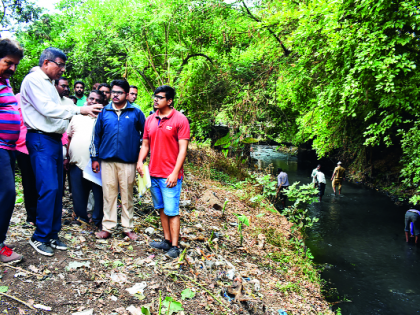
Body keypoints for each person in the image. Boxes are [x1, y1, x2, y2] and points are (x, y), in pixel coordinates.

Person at [20, 47, 103, 257]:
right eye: (60, 64)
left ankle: (52, 234)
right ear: (46, 62)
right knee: (48, 187)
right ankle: (39, 236)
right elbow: (47, 109)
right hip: (40, 138)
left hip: (55, 141)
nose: (63, 70)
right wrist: (80, 109)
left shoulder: (49, 84)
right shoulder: (33, 80)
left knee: (57, 189)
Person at [137, 85, 190, 258]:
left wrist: (175, 172)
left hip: (170, 174)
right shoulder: (150, 119)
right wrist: (140, 161)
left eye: (160, 97)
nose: (155, 99)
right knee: (160, 208)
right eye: (155, 97)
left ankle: (175, 246)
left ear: (169, 100)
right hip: (153, 173)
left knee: (172, 210)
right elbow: (145, 144)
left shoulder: (180, 120)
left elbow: (183, 150)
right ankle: (166, 241)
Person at [91, 79, 146, 240]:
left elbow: (146, 136)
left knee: (127, 195)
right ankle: (108, 227)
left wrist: (141, 158)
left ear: (127, 94)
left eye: (119, 92)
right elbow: (96, 136)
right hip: (107, 161)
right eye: (113, 92)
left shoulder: (136, 112)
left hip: (128, 161)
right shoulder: (104, 112)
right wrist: (94, 158)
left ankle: (127, 227)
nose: (115, 95)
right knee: (109, 194)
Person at [0, 38, 24, 264]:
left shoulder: (5, 83)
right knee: (7, 192)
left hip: (8, 148)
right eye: (8, 62)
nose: (13, 68)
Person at [67, 90, 105, 228]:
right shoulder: (76, 117)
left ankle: (98, 220)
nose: (93, 102)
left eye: (97, 100)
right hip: (76, 162)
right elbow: (69, 137)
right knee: (77, 192)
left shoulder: (103, 118)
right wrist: (67, 156)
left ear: (102, 103)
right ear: (86, 100)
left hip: (97, 163)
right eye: (91, 98)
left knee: (98, 193)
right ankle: (81, 217)